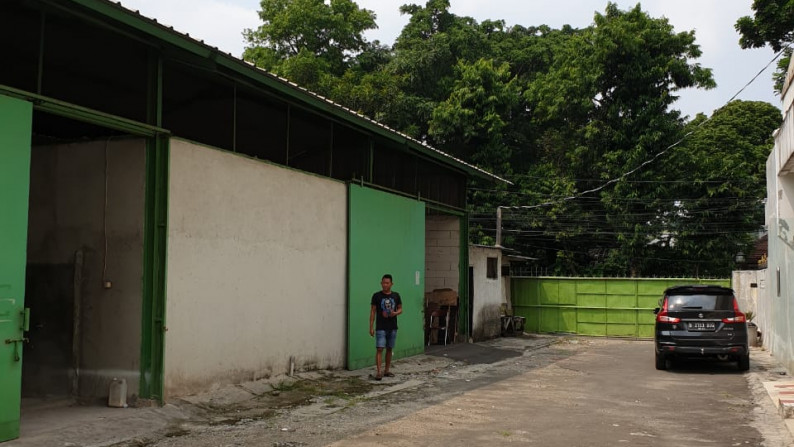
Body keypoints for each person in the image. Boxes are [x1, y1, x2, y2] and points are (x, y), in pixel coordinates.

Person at [369, 274, 402, 380]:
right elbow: (373, 311)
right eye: (383, 283)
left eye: (387, 283)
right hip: (380, 327)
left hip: (392, 326)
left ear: (391, 284)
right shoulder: (376, 296)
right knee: (379, 348)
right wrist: (371, 326)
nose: (385, 285)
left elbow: (401, 309)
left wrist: (395, 313)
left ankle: (387, 370)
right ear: (381, 283)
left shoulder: (396, 296)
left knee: (389, 348)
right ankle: (379, 372)